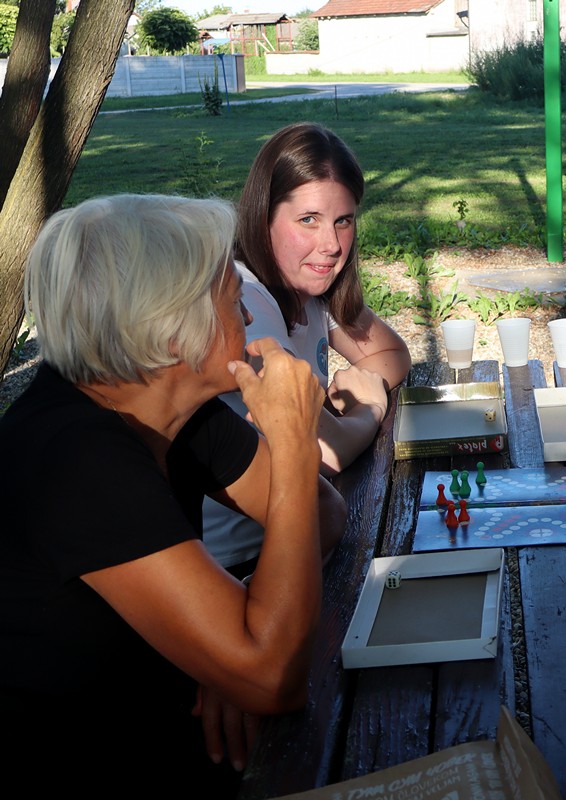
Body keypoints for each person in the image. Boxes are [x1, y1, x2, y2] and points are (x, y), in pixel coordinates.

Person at [0, 194, 328, 795]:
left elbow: (325, 514)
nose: (247, 315)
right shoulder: (75, 456)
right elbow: (275, 677)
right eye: (233, 299)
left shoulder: (167, 409)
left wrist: (224, 637)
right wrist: (294, 441)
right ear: (176, 331)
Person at [203, 122, 412, 577]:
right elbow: (324, 454)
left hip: (300, 533)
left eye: (343, 220)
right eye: (308, 220)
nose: (331, 245)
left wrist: (346, 401)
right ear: (262, 218)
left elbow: (393, 354)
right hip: (242, 564)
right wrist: (368, 409)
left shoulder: (308, 287)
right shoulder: (247, 300)